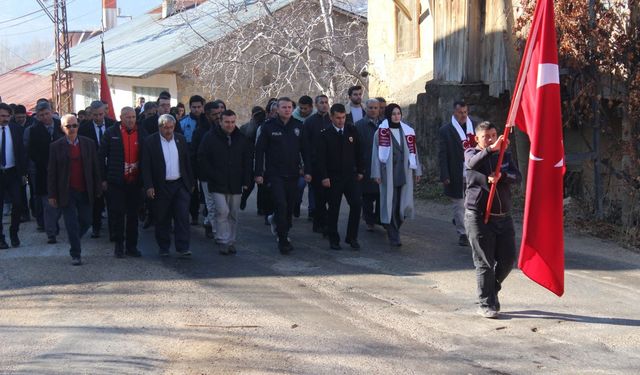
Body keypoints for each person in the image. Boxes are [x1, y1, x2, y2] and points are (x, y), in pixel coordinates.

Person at [464, 121, 521, 318]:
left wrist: (502, 176)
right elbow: (471, 165)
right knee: (484, 262)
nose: (491, 139)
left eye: (494, 135)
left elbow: (517, 176)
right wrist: (490, 150)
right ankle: (485, 303)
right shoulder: (471, 153)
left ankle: (492, 288)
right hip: (479, 217)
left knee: (508, 259)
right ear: (477, 138)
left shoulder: (505, 155)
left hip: (503, 217)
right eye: (486, 136)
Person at [254, 97, 311, 254]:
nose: (287, 110)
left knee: (289, 206)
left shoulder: (299, 126)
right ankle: (283, 239)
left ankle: (281, 226)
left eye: (289, 107)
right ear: (277, 109)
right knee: (281, 204)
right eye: (283, 107)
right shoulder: (268, 127)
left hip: (293, 173)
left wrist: (308, 171)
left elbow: (305, 151)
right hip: (274, 174)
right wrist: (258, 173)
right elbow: (259, 152)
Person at [48, 114, 101, 266]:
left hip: (85, 189)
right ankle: (75, 253)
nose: (72, 129)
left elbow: (95, 168)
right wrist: (52, 194)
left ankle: (74, 238)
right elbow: (51, 172)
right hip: (67, 191)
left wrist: (98, 187)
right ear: (62, 128)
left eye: (74, 125)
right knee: (71, 223)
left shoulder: (89, 143)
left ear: (78, 126)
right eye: (68, 126)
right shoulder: (56, 146)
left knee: (87, 221)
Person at [198, 110, 253, 255]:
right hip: (217, 181)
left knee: (233, 213)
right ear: (220, 122)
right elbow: (203, 159)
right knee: (222, 211)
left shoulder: (241, 138)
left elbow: (247, 161)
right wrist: (211, 175)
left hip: (235, 182)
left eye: (233, 122)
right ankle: (222, 240)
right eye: (227, 122)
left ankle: (231, 241)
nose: (230, 125)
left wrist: (247, 179)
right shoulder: (210, 137)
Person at [371, 104, 422, 247]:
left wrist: (417, 170)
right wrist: (376, 173)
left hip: (404, 172)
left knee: (403, 203)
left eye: (398, 113)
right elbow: (375, 155)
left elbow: (414, 152)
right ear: (388, 115)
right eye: (393, 114)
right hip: (388, 173)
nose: (396, 116)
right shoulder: (381, 132)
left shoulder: (407, 132)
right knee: (391, 204)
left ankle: (394, 226)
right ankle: (393, 233)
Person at [143, 114, 194, 257]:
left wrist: (190, 184)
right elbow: (145, 166)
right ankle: (164, 247)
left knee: (182, 217)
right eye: (165, 128)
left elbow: (186, 163)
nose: (169, 130)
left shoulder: (180, 139)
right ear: (159, 127)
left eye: (171, 127)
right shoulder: (150, 142)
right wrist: (149, 186)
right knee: (162, 217)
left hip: (180, 184)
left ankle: (183, 248)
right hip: (161, 185)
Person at [100, 107, 147, 258]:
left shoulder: (142, 133)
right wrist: (103, 179)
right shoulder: (111, 133)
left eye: (133, 117)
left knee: (133, 216)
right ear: (121, 117)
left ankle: (132, 247)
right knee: (118, 215)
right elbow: (100, 157)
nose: (131, 120)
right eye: (127, 117)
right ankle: (119, 246)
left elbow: (148, 157)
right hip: (116, 182)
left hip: (135, 182)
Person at [316, 104, 364, 250]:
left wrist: (361, 170)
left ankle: (352, 237)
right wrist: (324, 176)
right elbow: (320, 158)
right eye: (338, 118)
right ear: (331, 117)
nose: (341, 121)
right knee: (334, 208)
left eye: (343, 117)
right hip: (333, 177)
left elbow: (359, 152)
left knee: (356, 204)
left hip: (350, 176)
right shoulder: (325, 134)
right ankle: (333, 238)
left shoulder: (351, 131)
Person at [439, 100, 476, 246]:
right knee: (459, 203)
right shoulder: (446, 130)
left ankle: (467, 225)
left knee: (472, 204)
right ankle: (462, 233)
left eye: (465, 112)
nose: (463, 115)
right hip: (455, 171)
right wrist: (445, 174)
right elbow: (443, 154)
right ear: (454, 112)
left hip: (473, 171)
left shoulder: (474, 126)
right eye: (460, 112)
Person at [78, 100, 115, 238]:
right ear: (90, 114)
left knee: (112, 201)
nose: (98, 117)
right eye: (95, 115)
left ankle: (113, 230)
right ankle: (96, 226)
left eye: (100, 114)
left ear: (105, 112)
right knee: (96, 200)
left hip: (111, 167)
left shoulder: (113, 125)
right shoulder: (84, 128)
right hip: (92, 167)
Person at [28, 101, 63, 243]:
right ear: (37, 116)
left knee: (61, 203)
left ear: (52, 112)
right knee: (48, 204)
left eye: (47, 114)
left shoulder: (62, 125)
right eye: (41, 115)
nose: (45, 117)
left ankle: (54, 223)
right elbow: (32, 151)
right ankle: (51, 233)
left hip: (63, 171)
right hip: (44, 172)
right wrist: (45, 163)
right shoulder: (34, 130)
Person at [194, 100, 226, 239]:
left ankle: (209, 222)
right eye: (215, 114)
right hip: (206, 174)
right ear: (207, 115)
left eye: (220, 113)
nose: (218, 117)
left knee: (221, 203)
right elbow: (197, 154)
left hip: (221, 172)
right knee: (212, 203)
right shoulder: (200, 132)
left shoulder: (223, 129)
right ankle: (216, 231)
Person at [0, 103, 27, 248]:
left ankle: (14, 233)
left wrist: (24, 174)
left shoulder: (16, 129)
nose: (5, 119)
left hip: (13, 173)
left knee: (17, 203)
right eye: (2, 116)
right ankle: (1, 238)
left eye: (7, 116)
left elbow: (22, 152)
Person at [303, 94, 332, 231]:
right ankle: (319, 222)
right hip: (315, 164)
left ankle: (325, 222)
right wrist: (307, 167)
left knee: (329, 196)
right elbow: (306, 146)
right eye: (321, 102)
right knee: (318, 195)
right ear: (316, 105)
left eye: (326, 102)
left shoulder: (332, 120)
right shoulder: (310, 122)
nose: (324, 105)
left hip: (331, 164)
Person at [355, 98, 381, 231]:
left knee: (380, 194)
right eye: (370, 108)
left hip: (381, 165)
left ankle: (379, 218)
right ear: (366, 108)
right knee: (367, 195)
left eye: (376, 108)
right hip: (366, 164)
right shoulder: (359, 125)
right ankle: (369, 220)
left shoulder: (384, 124)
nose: (373, 110)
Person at [180, 95, 206, 225]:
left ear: (203, 107)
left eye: (199, 107)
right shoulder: (183, 123)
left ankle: (207, 215)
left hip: (206, 159)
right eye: (194, 107)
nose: (196, 110)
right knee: (192, 187)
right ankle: (194, 213)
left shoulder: (207, 122)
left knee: (207, 188)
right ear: (189, 107)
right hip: (190, 158)